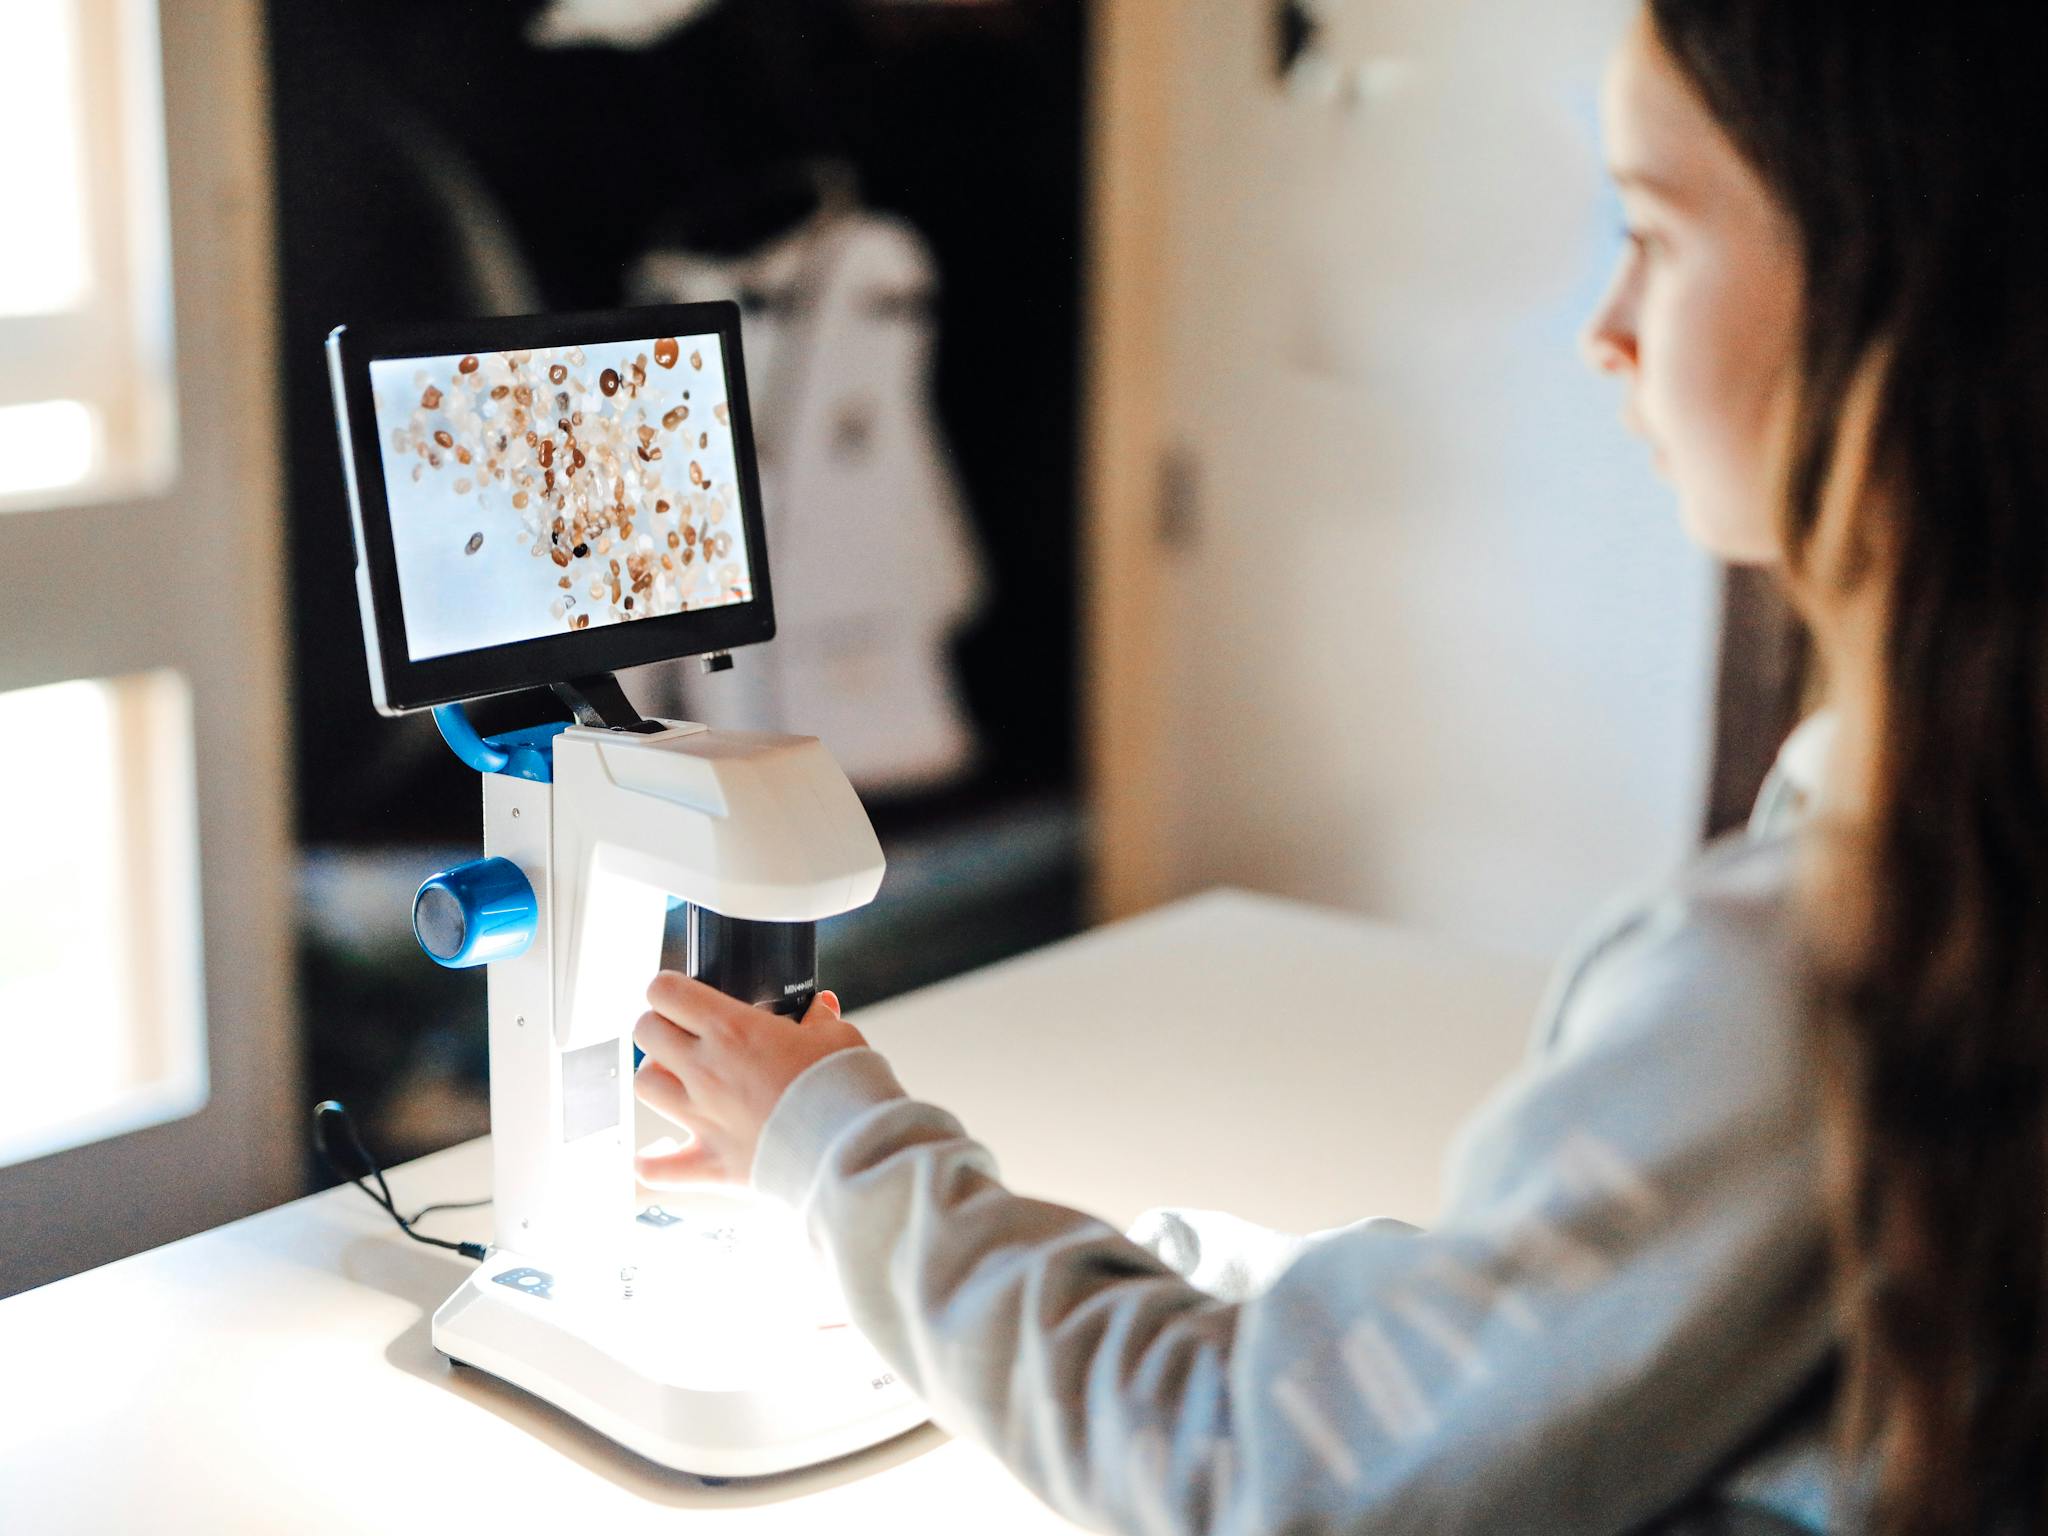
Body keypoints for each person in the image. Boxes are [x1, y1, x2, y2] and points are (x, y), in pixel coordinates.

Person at [627, 3, 2047, 1531]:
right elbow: (1533, 1346)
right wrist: (1089, 1268)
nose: (1605, 326)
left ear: (1895, 286)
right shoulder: (1955, 835)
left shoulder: (1807, 966)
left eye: (1654, 232)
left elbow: (1278, 1481)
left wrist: (846, 1155)